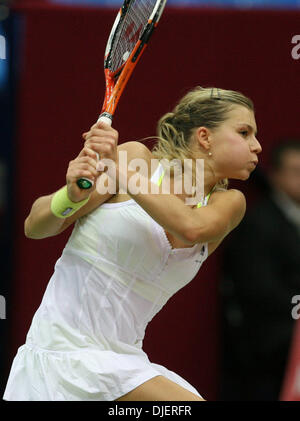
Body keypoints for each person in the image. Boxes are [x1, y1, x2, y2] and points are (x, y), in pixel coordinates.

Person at [3, 86, 262, 401]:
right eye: (244, 132)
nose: (257, 146)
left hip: (122, 365)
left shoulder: (229, 202)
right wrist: (70, 197)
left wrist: (118, 170)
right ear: (205, 137)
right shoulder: (136, 158)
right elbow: (35, 226)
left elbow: (190, 227)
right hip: (60, 355)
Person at [219, 139, 300, 401]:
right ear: (275, 175)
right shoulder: (258, 221)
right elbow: (260, 289)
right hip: (269, 340)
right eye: (297, 171)